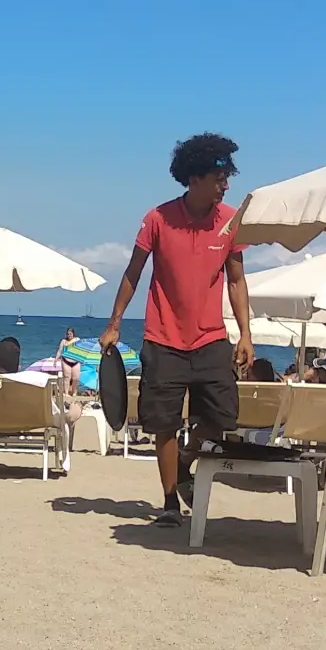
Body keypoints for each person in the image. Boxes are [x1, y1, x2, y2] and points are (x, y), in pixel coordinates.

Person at [99, 131, 252, 525]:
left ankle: (185, 460)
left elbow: (236, 280)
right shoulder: (158, 219)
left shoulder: (230, 221)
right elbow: (133, 274)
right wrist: (114, 324)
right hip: (163, 338)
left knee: (222, 418)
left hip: (211, 338)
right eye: (219, 178)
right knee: (163, 424)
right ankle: (170, 502)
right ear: (195, 178)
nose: (226, 186)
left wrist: (246, 334)